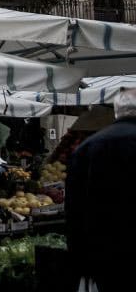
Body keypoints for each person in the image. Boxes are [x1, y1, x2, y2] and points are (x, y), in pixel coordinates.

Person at [66, 88, 136, 292]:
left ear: (116, 112)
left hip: (103, 252)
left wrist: (79, 258)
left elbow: (73, 209)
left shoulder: (87, 147)